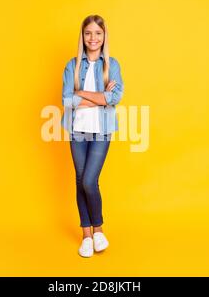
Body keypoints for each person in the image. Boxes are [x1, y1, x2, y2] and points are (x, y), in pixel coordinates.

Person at [61, 15, 124, 257]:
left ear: (104, 36)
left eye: (98, 33)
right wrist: (98, 98)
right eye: (88, 33)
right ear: (83, 36)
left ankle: (98, 229)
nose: (93, 38)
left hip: (101, 130)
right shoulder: (72, 65)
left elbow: (114, 98)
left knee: (89, 180)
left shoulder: (112, 65)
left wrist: (81, 93)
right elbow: (68, 101)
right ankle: (87, 235)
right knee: (80, 180)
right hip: (77, 130)